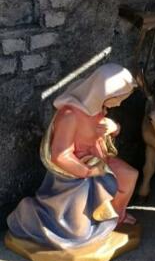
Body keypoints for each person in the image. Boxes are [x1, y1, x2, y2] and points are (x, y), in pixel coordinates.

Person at [7, 63, 138, 250]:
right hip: (74, 173)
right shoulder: (69, 115)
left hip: (99, 161)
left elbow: (102, 133)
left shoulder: (98, 109)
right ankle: (31, 214)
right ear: (103, 93)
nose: (118, 104)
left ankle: (116, 216)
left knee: (129, 175)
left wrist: (114, 127)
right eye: (117, 98)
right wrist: (86, 171)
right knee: (77, 234)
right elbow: (60, 155)